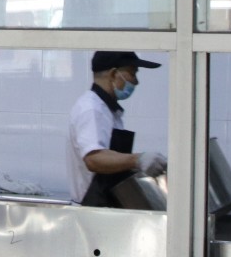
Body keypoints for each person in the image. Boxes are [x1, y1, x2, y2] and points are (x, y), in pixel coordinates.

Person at [67, 50, 166, 206]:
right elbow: (94, 159)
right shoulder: (92, 109)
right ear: (114, 74)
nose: (136, 82)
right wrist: (137, 159)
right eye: (132, 74)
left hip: (104, 205)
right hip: (91, 209)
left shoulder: (107, 110)